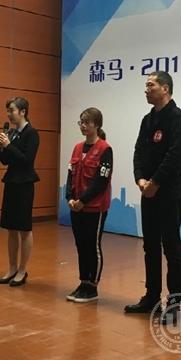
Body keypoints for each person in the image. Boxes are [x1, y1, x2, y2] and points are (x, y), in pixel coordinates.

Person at [124, 71, 181, 325]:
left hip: (169, 192)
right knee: (150, 246)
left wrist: (155, 182)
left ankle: (174, 304)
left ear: (165, 88)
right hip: (147, 191)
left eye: (150, 85)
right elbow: (138, 151)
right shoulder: (147, 119)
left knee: (171, 248)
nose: (146, 89)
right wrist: (140, 179)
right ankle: (152, 297)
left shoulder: (178, 118)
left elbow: (174, 155)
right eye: (146, 85)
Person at [65, 107, 113, 303]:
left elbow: (101, 180)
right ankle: (83, 282)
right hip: (76, 206)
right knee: (81, 245)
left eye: (87, 122)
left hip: (94, 207)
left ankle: (93, 286)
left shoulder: (105, 149)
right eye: (81, 122)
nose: (83, 126)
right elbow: (70, 174)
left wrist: (83, 200)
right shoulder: (77, 148)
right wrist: (69, 197)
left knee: (93, 246)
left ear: (97, 125)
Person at [0, 97, 40, 287]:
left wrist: (8, 146)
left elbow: (26, 160)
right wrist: (2, 147)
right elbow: (5, 161)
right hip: (11, 182)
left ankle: (22, 269)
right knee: (11, 228)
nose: (9, 114)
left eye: (12, 110)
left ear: (23, 112)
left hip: (24, 184)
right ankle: (12, 267)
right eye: (7, 110)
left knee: (24, 228)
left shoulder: (32, 133)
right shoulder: (11, 133)